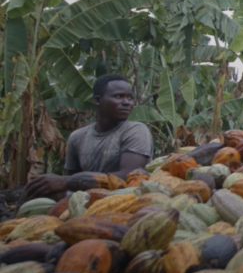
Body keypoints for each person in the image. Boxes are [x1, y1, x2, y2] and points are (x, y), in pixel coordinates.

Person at [23, 74, 152, 200]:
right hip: (85, 199)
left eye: (130, 98)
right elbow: (72, 183)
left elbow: (128, 176)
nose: (127, 102)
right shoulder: (78, 137)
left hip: (124, 198)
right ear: (98, 100)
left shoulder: (135, 131)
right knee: (34, 192)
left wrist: (62, 181)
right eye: (119, 96)